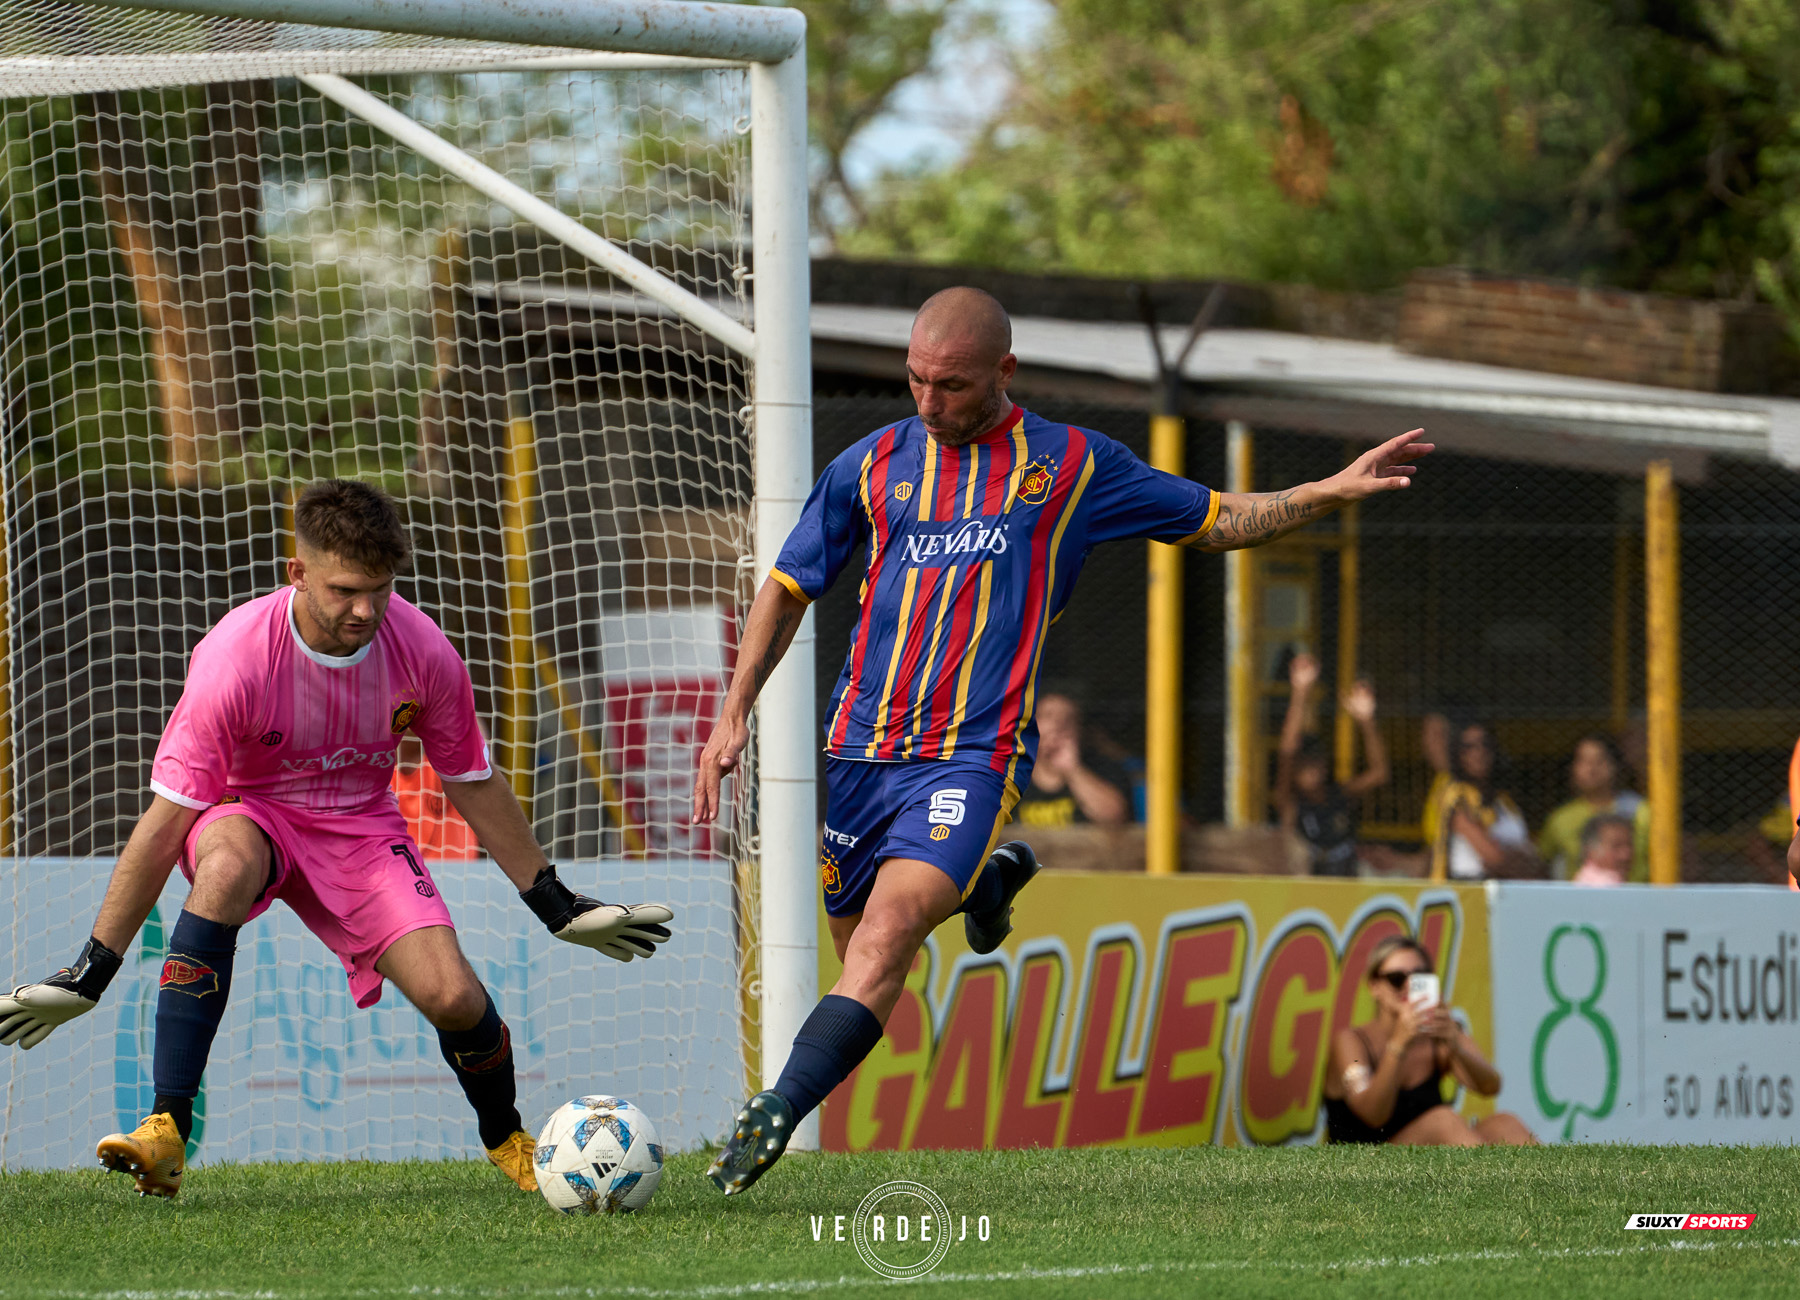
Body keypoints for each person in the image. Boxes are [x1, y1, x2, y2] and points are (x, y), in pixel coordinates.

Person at [691, 285, 1433, 1194]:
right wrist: (735, 712)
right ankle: (987, 881)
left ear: (1005, 371)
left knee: (884, 943)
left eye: (952, 386)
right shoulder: (872, 464)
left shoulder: (1073, 466)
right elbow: (789, 584)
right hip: (859, 753)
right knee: (863, 954)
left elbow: (1215, 519)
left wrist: (1327, 487)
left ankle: (776, 1112)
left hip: (973, 753)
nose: (929, 403)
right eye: (916, 381)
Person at [0, 480, 674, 1199]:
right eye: (347, 589)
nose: (365, 610)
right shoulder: (235, 659)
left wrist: (556, 904)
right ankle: (165, 1127)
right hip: (247, 811)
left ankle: (507, 1138)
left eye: (380, 590)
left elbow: (472, 780)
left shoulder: (422, 651)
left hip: (359, 824)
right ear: (298, 573)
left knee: (452, 996)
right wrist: (92, 970)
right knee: (224, 867)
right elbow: (166, 822)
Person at [1322, 936, 1536, 1146]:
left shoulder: (1438, 1034)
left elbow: (1490, 1086)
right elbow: (1372, 1114)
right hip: (1363, 1167)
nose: (1408, 986)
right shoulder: (1351, 1041)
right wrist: (1398, 1045)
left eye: (1419, 978)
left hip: (1419, 1160)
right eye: (1397, 979)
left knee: (1505, 1124)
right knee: (1443, 1122)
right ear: (1374, 987)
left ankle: (1548, 1181)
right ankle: (1491, 1180)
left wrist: (1455, 1045)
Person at [1273, 653, 1389, 876]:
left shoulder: (1339, 793)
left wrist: (1367, 721)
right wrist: (1300, 692)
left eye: (1316, 761)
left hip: (1348, 879)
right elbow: (1287, 752)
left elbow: (1379, 774)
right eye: (1305, 764)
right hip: (1307, 887)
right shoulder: (1290, 802)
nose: (1312, 768)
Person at [1428, 721, 1538, 881]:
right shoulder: (1457, 797)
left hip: (1514, 886)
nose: (1478, 752)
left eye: (1485, 744)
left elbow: (1533, 855)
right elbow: (1495, 859)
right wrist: (1520, 859)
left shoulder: (1505, 803)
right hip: (1473, 888)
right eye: (1468, 747)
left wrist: (1520, 859)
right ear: (1458, 754)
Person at [1536, 733, 1648, 882]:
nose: (1591, 769)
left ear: (1616, 766)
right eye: (1583, 761)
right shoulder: (1560, 819)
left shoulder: (1643, 812)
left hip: (1637, 898)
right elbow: (1540, 863)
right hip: (1582, 901)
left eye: (1599, 761)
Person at [1012, 692, 1131, 826]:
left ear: (1079, 730)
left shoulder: (1104, 768)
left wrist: (1073, 769)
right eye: (1048, 715)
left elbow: (1115, 818)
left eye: (1068, 718)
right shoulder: (1011, 775)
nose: (1058, 724)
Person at [393, 735, 480, 860]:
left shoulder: (453, 762)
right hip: (397, 874)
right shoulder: (372, 772)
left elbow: (475, 738)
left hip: (460, 874)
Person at [1570, 813, 1634, 886]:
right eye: (1616, 846)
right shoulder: (1603, 885)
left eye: (1629, 845)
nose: (1626, 855)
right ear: (1591, 850)